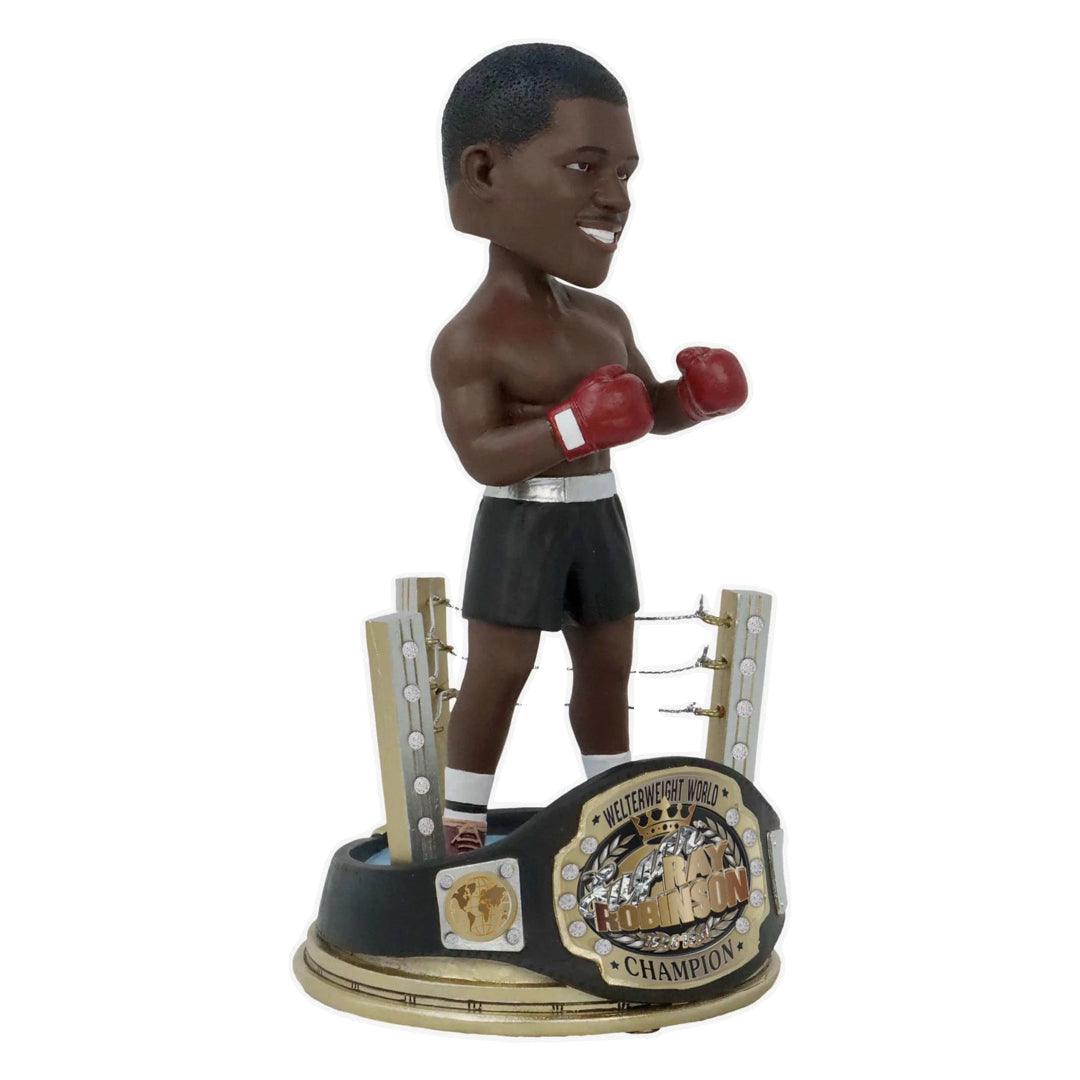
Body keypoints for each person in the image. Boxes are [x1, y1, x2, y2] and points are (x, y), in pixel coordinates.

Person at [433, 44, 747, 854]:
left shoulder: (604, 321)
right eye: (585, 166)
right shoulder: (471, 339)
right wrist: (574, 425)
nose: (615, 196)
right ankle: (459, 831)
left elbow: (642, 411)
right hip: (520, 522)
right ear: (485, 172)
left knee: (609, 666)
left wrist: (693, 400)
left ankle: (619, 814)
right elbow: (482, 455)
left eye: (625, 173)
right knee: (500, 672)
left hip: (598, 516)